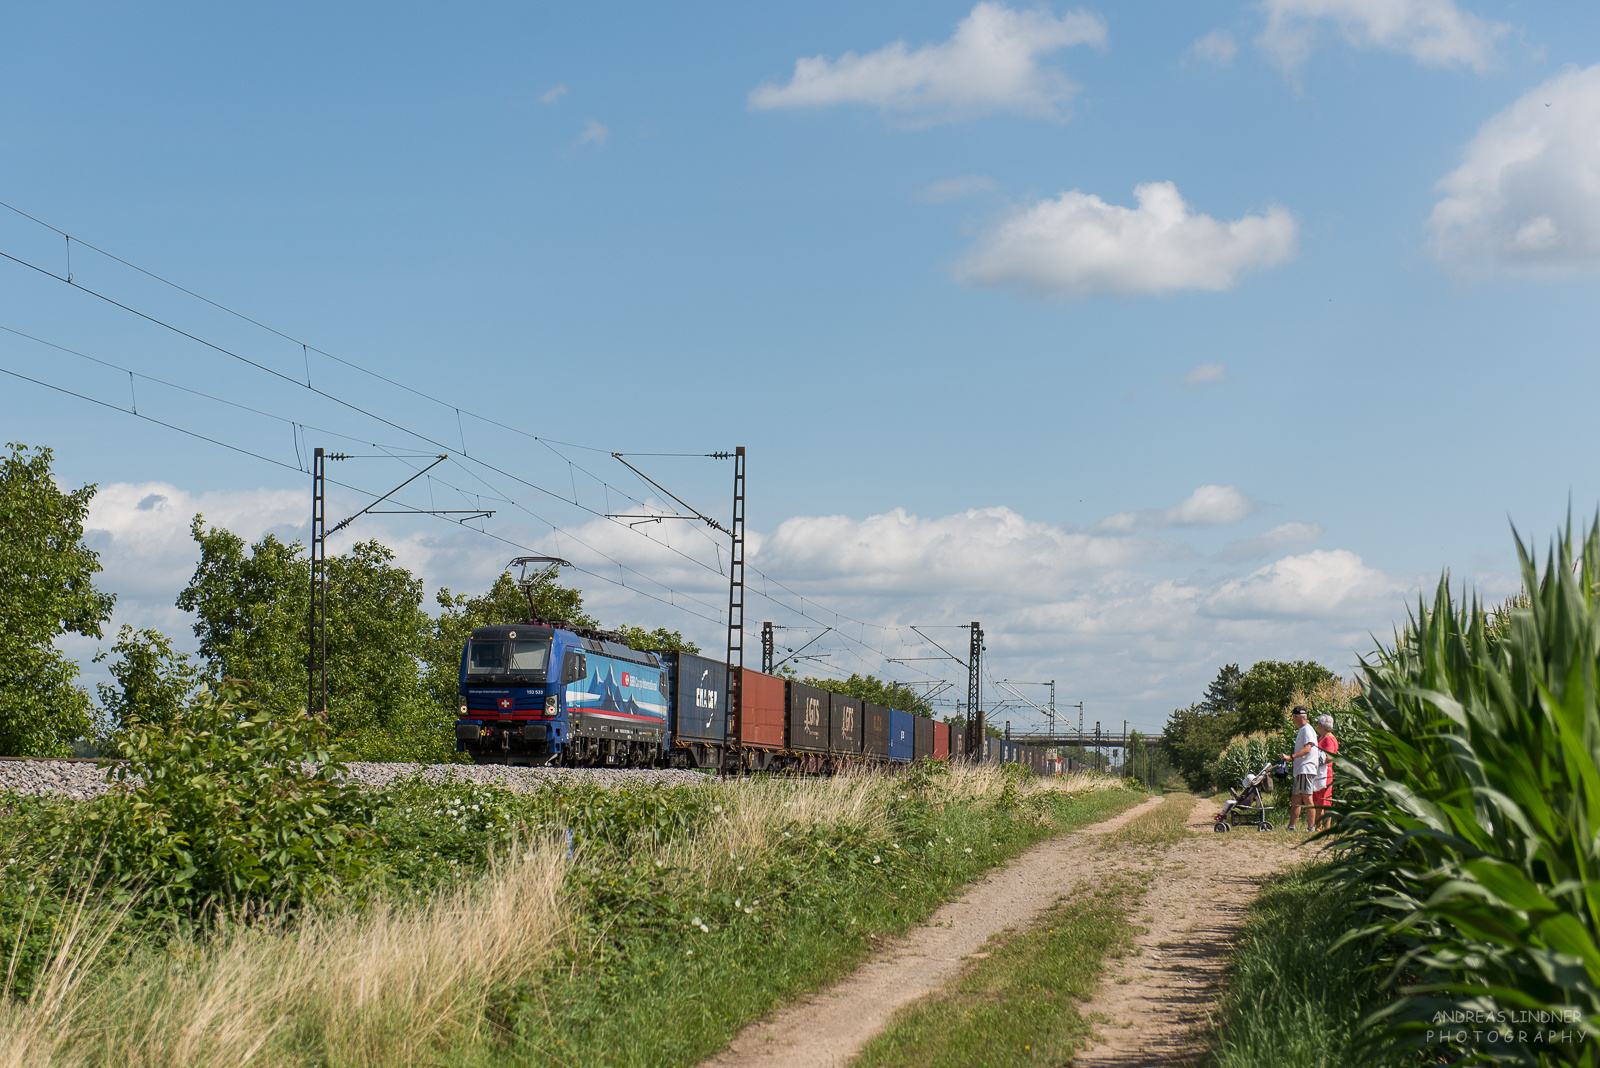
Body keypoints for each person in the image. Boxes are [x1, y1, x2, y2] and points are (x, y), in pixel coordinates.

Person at [1279, 706, 1318, 831]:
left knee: (1306, 797)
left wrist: (1291, 757)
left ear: (1295, 717)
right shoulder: (1303, 730)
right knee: (1296, 797)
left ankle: (1311, 826)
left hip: (1305, 769)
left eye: (1293, 718)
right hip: (1300, 770)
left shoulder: (1307, 730)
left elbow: (1308, 749)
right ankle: (1292, 826)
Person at [1311, 714, 1338, 831]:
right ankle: (1320, 826)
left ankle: (1322, 827)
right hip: (1321, 773)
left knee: (1323, 802)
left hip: (1325, 774)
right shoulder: (1323, 738)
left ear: (1321, 726)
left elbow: (1329, 756)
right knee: (1320, 801)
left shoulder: (1328, 739)